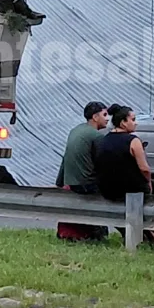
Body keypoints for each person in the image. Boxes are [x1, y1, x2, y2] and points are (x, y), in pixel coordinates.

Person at [55, 102, 110, 241]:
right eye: (104, 115)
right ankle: (99, 234)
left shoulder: (75, 130)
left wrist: (60, 181)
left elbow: (65, 157)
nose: (107, 118)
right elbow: (102, 164)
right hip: (86, 183)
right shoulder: (97, 136)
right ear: (95, 117)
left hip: (71, 180)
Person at [95, 105, 152, 202]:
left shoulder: (104, 140)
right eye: (133, 120)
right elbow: (144, 169)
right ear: (123, 123)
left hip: (108, 191)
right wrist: (149, 182)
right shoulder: (133, 141)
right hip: (132, 192)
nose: (136, 123)